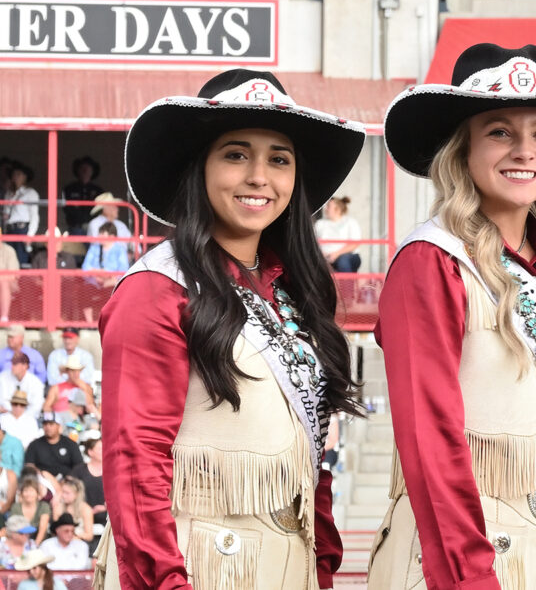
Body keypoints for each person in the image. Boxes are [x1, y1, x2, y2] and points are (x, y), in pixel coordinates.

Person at [97, 69, 367, 589]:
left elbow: (312, 463)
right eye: (236, 154)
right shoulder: (157, 289)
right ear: (198, 168)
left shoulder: (296, 294)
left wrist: (322, 568)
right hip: (198, 565)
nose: (259, 177)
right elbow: (135, 461)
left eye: (279, 159)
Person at [367, 43, 536, 589]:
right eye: (500, 131)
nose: (525, 150)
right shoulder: (429, 262)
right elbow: (430, 442)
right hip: (456, 565)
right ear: (462, 151)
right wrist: (470, 579)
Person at [314, 196, 362, 273]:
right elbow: (313, 242)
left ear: (338, 209)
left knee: (343, 261)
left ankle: (346, 285)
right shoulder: (320, 224)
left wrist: (336, 254)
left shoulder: (350, 222)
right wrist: (321, 254)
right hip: (324, 256)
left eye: (329, 206)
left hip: (347, 256)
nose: (326, 209)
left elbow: (355, 244)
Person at [4, 167, 38, 266]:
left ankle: (21, 282)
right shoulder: (9, 193)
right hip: (10, 230)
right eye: (14, 174)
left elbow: (34, 216)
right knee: (8, 260)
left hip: (22, 230)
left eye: (18, 174)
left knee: (20, 260)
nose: (15, 177)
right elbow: (6, 215)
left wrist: (30, 236)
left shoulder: (30, 193)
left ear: (25, 177)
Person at [2, 351, 45, 422]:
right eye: (12, 363)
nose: (12, 366)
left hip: (29, 419)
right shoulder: (3, 377)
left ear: (25, 366)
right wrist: (13, 415)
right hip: (7, 417)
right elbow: (3, 401)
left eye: (15, 364)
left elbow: (36, 407)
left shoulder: (36, 383)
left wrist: (22, 419)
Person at [8, 480, 49, 546]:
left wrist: (34, 546)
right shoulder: (16, 507)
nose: (29, 494)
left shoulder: (43, 506)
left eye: (32, 491)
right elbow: (13, 528)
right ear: (21, 493)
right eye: (26, 491)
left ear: (37, 493)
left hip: (39, 542)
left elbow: (42, 529)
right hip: (19, 540)